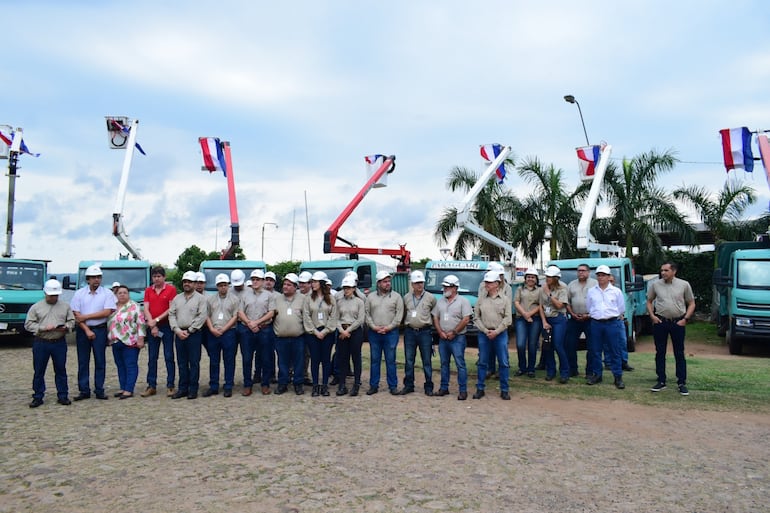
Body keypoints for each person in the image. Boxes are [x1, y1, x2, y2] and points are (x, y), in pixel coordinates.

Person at [646, 261, 695, 396]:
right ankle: (661, 380)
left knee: (679, 352)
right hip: (661, 322)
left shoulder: (684, 285)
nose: (663, 273)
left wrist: (685, 319)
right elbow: (649, 301)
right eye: (662, 270)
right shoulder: (655, 285)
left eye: (666, 270)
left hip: (678, 322)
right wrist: (652, 316)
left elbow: (691, 303)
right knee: (660, 352)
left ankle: (681, 382)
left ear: (674, 271)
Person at [25, 279, 76, 407]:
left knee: (60, 370)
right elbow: (28, 324)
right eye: (51, 295)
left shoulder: (65, 306)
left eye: (56, 295)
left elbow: (71, 320)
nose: (54, 298)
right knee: (39, 370)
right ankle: (38, 396)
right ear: (45, 293)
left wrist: (66, 327)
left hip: (59, 342)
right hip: (41, 342)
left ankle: (63, 395)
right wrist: (42, 328)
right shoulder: (36, 307)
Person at [70, 264, 117, 401]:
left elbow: (107, 311)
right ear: (88, 279)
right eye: (93, 277)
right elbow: (76, 313)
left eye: (98, 277)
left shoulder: (107, 293)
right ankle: (84, 390)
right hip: (83, 330)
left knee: (100, 361)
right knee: (83, 361)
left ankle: (99, 389)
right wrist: (86, 328)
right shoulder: (79, 294)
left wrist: (86, 317)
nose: (96, 280)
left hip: (100, 329)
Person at [585, 265, 626, 389]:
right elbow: (589, 307)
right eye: (599, 275)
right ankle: (597, 375)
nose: (601, 277)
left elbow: (621, 308)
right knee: (595, 350)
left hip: (612, 323)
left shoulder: (616, 291)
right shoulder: (591, 291)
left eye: (603, 275)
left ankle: (617, 376)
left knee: (615, 350)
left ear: (609, 277)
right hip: (596, 323)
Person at [168, 271, 208, 399]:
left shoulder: (201, 299)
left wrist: (190, 330)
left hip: (194, 334)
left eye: (189, 282)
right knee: (181, 362)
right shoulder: (177, 298)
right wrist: (177, 330)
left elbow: (202, 316)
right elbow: (171, 314)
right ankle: (182, 388)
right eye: (185, 282)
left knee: (194, 362)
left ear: (195, 284)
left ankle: (193, 389)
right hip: (179, 333)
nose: (187, 284)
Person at [474, 270, 513, 399]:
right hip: (484, 333)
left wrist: (496, 331)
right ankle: (480, 388)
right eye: (486, 282)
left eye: (490, 282)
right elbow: (476, 318)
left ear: (497, 283)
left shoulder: (505, 299)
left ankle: (504, 389)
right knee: (482, 362)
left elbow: (508, 319)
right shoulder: (480, 299)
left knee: (503, 362)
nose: (487, 285)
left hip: (500, 333)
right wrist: (485, 331)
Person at [432, 274, 472, 400]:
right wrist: (440, 332)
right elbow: (435, 317)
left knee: (460, 364)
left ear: (455, 288)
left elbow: (466, 319)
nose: (444, 289)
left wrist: (454, 332)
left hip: (458, 338)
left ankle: (463, 390)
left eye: (447, 287)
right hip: (443, 338)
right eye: (444, 286)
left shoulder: (463, 301)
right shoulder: (440, 301)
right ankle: (444, 388)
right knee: (444, 364)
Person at [365, 270, 404, 395]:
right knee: (375, 359)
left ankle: (393, 386)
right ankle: (373, 385)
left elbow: (399, 316)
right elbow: (367, 314)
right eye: (384, 281)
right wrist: (373, 326)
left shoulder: (397, 297)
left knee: (391, 360)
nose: (387, 284)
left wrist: (389, 327)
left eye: (388, 281)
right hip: (374, 333)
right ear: (378, 283)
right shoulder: (370, 297)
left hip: (391, 333)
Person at [142, 266, 177, 398]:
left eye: (159, 276)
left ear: (164, 277)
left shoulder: (171, 290)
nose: (156, 279)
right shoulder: (148, 291)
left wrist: (155, 320)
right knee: (152, 357)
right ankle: (151, 385)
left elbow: (171, 308)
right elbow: (146, 308)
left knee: (169, 356)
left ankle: (170, 385)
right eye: (154, 276)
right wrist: (152, 325)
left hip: (166, 327)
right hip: (153, 328)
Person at [239, 269, 276, 396]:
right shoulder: (244, 295)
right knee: (247, 358)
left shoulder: (269, 295)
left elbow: (271, 312)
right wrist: (249, 323)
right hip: (247, 329)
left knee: (265, 358)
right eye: (253, 279)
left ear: (262, 281)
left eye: (257, 279)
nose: (255, 282)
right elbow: (240, 312)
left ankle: (265, 384)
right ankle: (247, 384)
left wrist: (258, 322)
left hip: (264, 329)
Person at [203, 273, 240, 398]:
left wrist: (224, 329)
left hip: (229, 332)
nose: (223, 287)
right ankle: (214, 386)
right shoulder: (210, 299)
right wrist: (212, 328)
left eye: (225, 285)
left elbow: (235, 316)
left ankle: (228, 385)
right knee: (214, 361)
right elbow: (206, 315)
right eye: (220, 285)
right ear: (217, 286)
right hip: (213, 332)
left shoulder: (234, 299)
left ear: (228, 285)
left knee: (229, 360)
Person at [401, 270, 437, 396]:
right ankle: (409, 385)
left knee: (426, 360)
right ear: (412, 284)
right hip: (410, 331)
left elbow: (433, 311)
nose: (419, 285)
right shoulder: (406, 297)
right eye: (417, 283)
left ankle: (428, 386)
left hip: (425, 332)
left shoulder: (430, 298)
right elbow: (404, 312)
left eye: (421, 283)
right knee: (409, 360)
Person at [302, 271, 338, 397]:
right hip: (313, 333)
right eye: (312, 282)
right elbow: (306, 316)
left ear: (322, 283)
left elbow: (334, 316)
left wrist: (326, 331)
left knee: (326, 360)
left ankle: (324, 385)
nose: (313, 284)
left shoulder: (331, 299)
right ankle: (315, 385)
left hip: (327, 333)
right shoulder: (308, 299)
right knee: (315, 359)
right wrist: (315, 331)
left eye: (315, 282)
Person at [108, 284, 146, 399]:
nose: (122, 295)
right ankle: (123, 387)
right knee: (120, 365)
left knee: (130, 365)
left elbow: (141, 323)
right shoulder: (112, 307)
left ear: (128, 294)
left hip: (130, 340)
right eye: (120, 293)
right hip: (115, 340)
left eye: (125, 292)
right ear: (116, 294)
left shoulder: (134, 306)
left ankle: (129, 389)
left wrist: (141, 338)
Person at [272, 273, 307, 395]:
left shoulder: (303, 299)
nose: (285, 286)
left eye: (289, 284)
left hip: (298, 337)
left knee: (299, 362)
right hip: (281, 337)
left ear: (295, 287)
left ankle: (298, 384)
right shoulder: (276, 299)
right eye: (284, 284)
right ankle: (283, 383)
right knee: (282, 362)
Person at [477, 262, 511, 377]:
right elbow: (479, 309)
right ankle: (490, 369)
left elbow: (507, 312)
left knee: (502, 355)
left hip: (500, 326)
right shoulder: (482, 286)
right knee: (486, 354)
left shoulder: (507, 289)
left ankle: (502, 378)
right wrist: (485, 329)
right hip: (486, 327)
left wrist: (497, 330)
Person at [334, 275, 365, 396]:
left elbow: (360, 319)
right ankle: (342, 384)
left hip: (355, 330)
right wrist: (342, 330)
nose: (346, 290)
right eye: (344, 288)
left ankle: (356, 383)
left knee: (356, 357)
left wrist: (348, 331)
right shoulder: (339, 302)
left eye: (348, 288)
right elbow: (335, 318)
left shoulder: (359, 302)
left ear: (353, 288)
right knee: (342, 357)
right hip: (342, 330)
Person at [539, 265, 569, 384]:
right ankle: (550, 371)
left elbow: (560, 305)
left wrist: (549, 294)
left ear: (556, 278)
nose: (547, 279)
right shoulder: (543, 288)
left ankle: (564, 372)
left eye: (550, 277)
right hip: (547, 319)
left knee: (558, 345)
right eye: (547, 276)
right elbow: (541, 306)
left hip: (558, 318)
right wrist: (544, 322)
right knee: (548, 346)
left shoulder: (562, 288)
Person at [565, 263, 596, 378]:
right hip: (574, 318)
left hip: (590, 319)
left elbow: (598, 303)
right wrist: (572, 314)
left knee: (592, 346)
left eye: (583, 270)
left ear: (588, 272)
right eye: (579, 271)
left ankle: (590, 371)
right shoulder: (571, 285)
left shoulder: (595, 284)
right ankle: (572, 369)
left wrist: (589, 315)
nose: (580, 272)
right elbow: (566, 301)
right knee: (570, 345)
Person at [513, 268, 541, 378]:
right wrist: (525, 314)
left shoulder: (540, 290)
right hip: (521, 318)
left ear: (536, 279)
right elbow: (516, 302)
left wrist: (529, 314)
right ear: (525, 278)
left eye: (533, 277)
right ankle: (522, 367)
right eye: (528, 277)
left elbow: (541, 305)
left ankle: (531, 369)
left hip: (535, 319)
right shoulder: (520, 289)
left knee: (532, 345)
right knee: (520, 344)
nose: (530, 279)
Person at [608, 274, 634, 372]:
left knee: (622, 341)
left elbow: (622, 306)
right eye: (608, 280)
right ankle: (608, 362)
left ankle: (624, 362)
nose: (610, 283)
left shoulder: (617, 292)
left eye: (612, 281)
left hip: (618, 320)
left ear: (614, 282)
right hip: (607, 321)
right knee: (607, 344)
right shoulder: (601, 292)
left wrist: (621, 315)